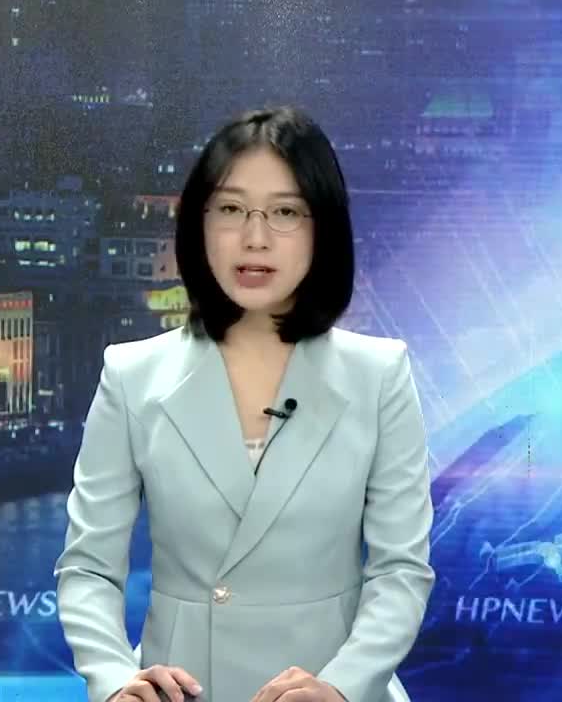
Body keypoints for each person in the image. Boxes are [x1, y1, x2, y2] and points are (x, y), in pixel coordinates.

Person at [55, 106, 435, 702]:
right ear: (199, 224)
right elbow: (88, 568)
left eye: (284, 212)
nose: (255, 238)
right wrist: (113, 680)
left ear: (322, 228)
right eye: (231, 210)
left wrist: (340, 686)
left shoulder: (379, 375)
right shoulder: (131, 376)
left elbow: (400, 571)